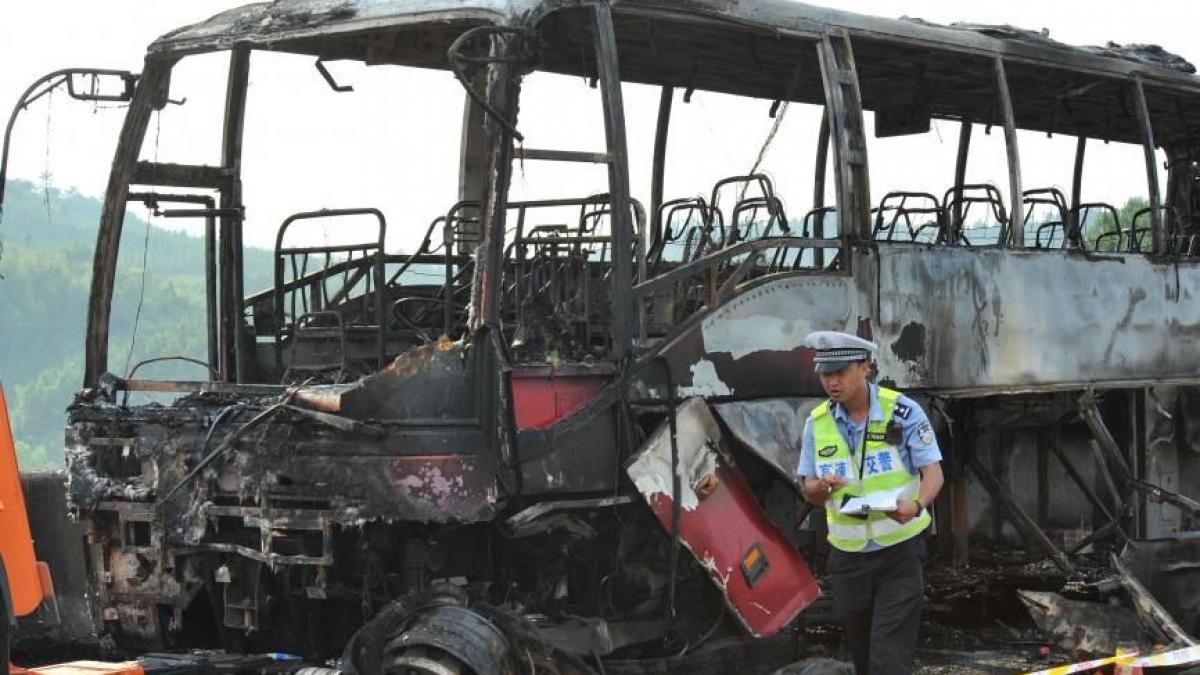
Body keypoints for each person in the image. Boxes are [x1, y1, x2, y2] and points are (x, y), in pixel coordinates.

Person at [797, 330, 944, 675]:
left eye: (841, 372)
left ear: (865, 368)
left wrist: (918, 505)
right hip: (848, 559)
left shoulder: (903, 412)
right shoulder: (816, 424)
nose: (832, 382)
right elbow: (809, 489)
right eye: (825, 374)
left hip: (899, 551)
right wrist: (822, 487)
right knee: (863, 659)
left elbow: (934, 474)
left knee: (888, 660)